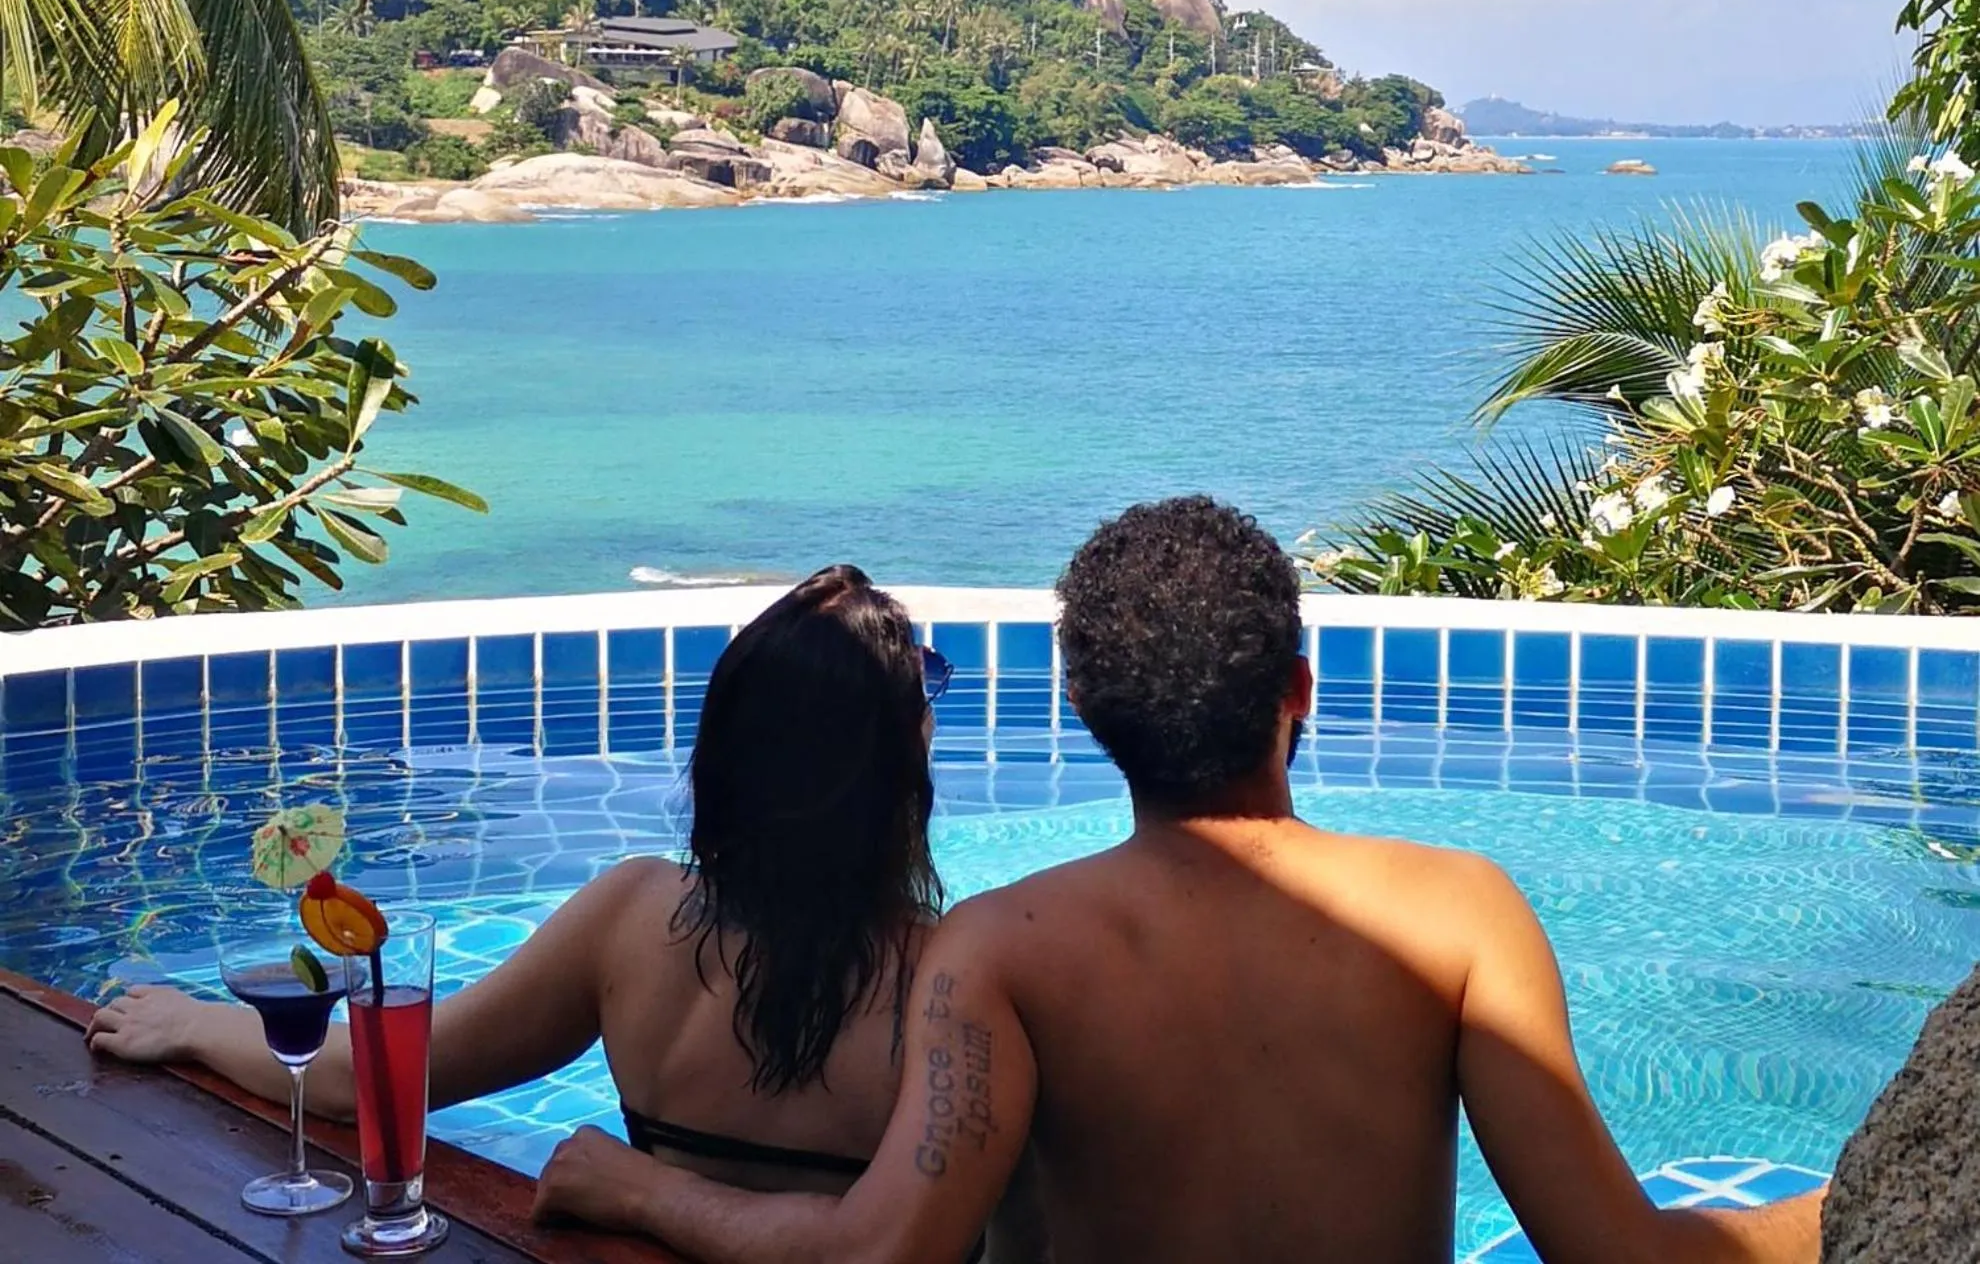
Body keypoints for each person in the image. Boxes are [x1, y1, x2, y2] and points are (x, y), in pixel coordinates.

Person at [525, 496, 1825, 1264]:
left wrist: (643, 1188)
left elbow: (883, 1252)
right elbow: (1628, 1259)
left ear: (1087, 717)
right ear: (1298, 698)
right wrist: (1867, 1194)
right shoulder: (1459, 916)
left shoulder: (999, 955)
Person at [87, 565, 970, 1224]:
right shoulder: (956, 976)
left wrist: (196, 1021)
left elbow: (379, 1081)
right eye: (923, 690)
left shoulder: (636, 921)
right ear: (896, 764)